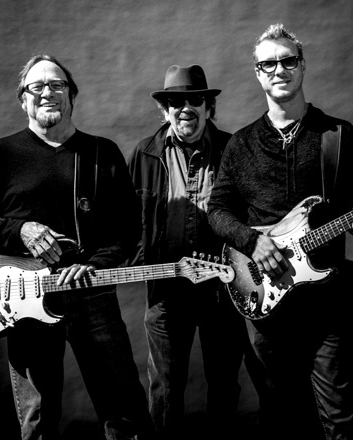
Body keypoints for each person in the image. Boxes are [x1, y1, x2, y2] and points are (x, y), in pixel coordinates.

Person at [0, 54, 155, 440]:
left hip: (92, 295)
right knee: (38, 420)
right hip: (25, 300)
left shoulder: (102, 153)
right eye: (36, 86)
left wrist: (95, 264)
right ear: (23, 99)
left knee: (126, 414)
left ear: (71, 96)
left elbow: (128, 228)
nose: (47, 92)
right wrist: (21, 231)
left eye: (57, 84)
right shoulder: (2, 154)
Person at [207, 24, 353, 440]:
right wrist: (252, 241)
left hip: (327, 301)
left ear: (302, 66)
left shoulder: (338, 135)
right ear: (257, 73)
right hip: (266, 303)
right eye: (268, 64)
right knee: (281, 415)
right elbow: (217, 211)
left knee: (340, 417)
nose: (279, 70)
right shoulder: (241, 144)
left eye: (288, 60)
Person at [127, 64, 263, 440]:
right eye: (175, 101)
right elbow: (127, 219)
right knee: (165, 389)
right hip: (166, 293)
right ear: (165, 109)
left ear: (208, 107)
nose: (185, 108)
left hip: (224, 291)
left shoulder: (234, 149)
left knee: (224, 383)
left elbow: (254, 213)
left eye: (195, 100)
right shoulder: (145, 153)